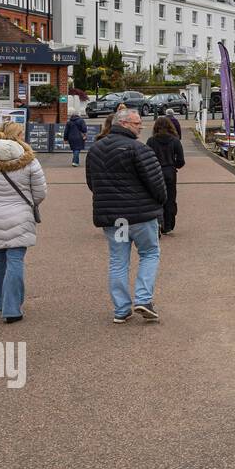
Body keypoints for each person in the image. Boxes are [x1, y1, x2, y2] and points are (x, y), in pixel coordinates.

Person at [86, 108, 167, 324]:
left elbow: (92, 183)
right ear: (123, 124)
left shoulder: (95, 149)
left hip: (115, 218)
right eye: (136, 123)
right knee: (150, 253)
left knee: (118, 261)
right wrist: (160, 204)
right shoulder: (138, 149)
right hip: (141, 216)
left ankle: (121, 308)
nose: (140, 126)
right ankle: (143, 299)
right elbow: (157, 184)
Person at [0, 122, 47, 324]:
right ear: (17, 136)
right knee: (15, 259)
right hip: (21, 215)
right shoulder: (29, 161)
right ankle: (12, 307)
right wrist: (28, 204)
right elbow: (40, 193)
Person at [147, 115, 185, 234]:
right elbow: (181, 161)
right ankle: (168, 225)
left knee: (155, 199)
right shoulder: (175, 141)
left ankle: (157, 223)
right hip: (170, 172)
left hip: (155, 172)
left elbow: (146, 158)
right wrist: (174, 165)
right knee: (170, 198)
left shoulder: (151, 141)